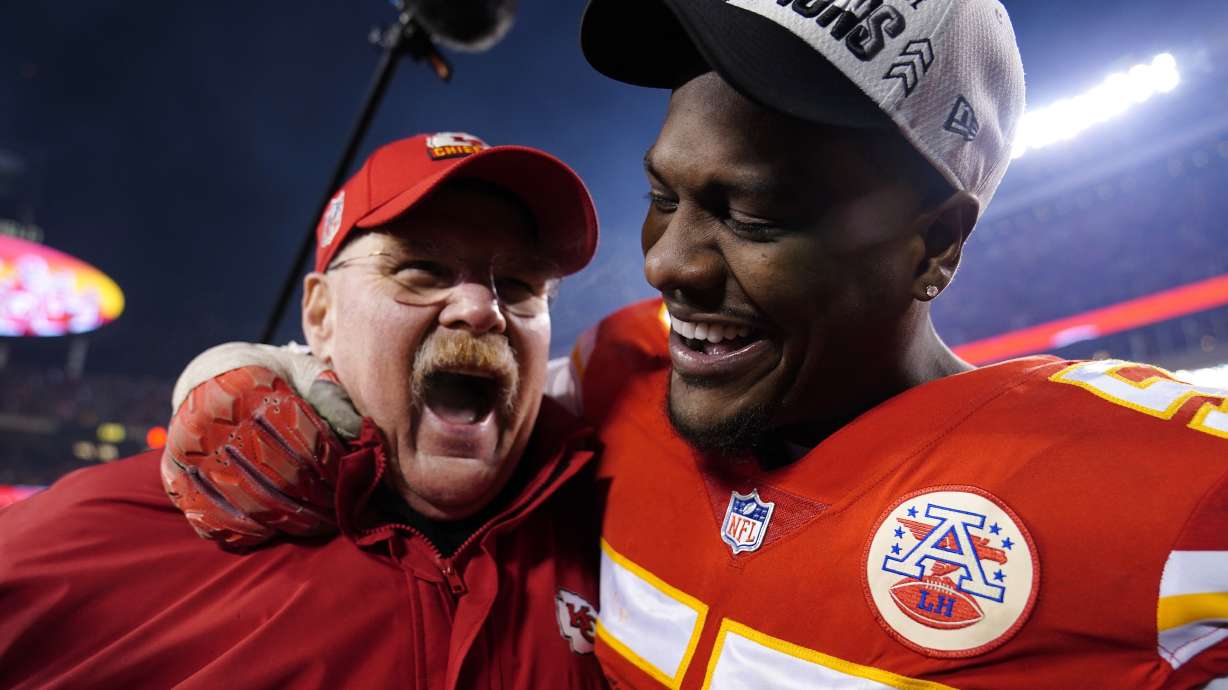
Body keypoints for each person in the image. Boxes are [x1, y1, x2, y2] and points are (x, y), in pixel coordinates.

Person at [152, 1, 1228, 688]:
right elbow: (422, 381)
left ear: (933, 244)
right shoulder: (627, 374)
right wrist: (259, 374)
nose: (668, 264)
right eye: (662, 197)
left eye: (750, 215)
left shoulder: (1167, 496)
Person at [0, 132, 611, 689]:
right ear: (320, 316)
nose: (483, 310)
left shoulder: (610, 513)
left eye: (524, 286)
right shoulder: (143, 523)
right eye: (422, 270)